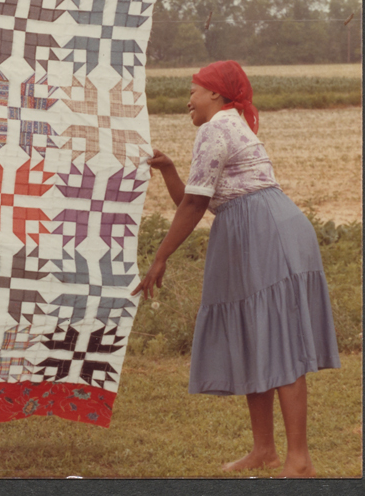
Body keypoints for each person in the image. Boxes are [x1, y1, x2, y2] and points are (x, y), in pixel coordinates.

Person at [131, 60, 340, 478]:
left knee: (280, 339)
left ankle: (299, 460)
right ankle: (264, 450)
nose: (187, 99)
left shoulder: (217, 127)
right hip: (252, 228)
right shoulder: (227, 126)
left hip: (264, 230)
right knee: (255, 333)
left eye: (193, 90)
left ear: (215, 94)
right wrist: (171, 169)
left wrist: (159, 258)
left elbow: (193, 207)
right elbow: (197, 200)